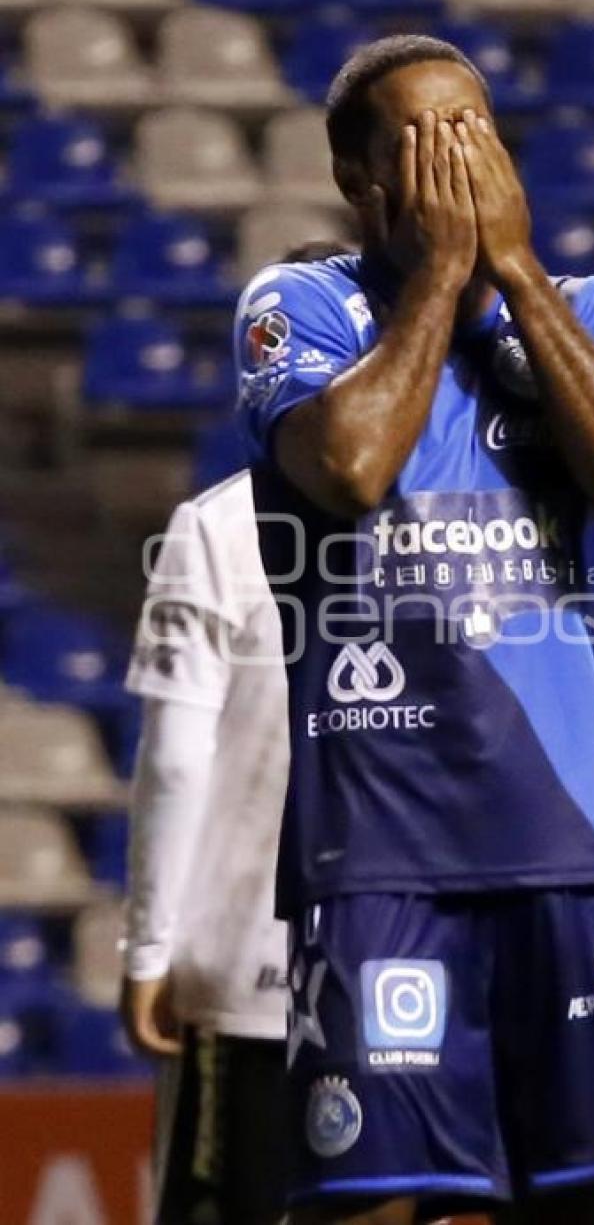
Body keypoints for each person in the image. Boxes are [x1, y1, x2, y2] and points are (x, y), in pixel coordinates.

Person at [235, 34, 594, 1225]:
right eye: (425, 143)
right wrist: (439, 278)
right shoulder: (302, 306)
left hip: (564, 833)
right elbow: (347, 464)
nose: (457, 164)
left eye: (474, 134)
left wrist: (519, 273)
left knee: (592, 1196)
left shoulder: (581, 312)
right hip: (382, 848)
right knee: (377, 1203)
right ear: (358, 179)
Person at [120, 241, 347, 1225]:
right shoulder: (444, 526)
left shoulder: (211, 530)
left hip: (244, 971)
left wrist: (147, 950)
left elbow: (175, 759)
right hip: (393, 967)